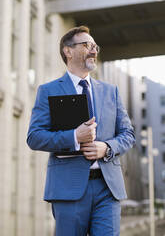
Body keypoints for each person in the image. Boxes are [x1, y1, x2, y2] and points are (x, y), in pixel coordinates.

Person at [27, 25, 135, 236]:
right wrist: (74, 136)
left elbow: (128, 134)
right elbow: (34, 137)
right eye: (87, 45)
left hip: (107, 189)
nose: (93, 50)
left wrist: (106, 147)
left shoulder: (110, 91)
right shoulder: (48, 91)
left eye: (95, 46)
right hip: (68, 190)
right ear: (68, 51)